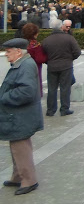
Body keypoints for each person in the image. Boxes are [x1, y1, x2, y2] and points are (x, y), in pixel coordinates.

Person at [0, 38, 43, 195]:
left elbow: (26, 92)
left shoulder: (25, 65)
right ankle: (18, 176)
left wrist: (3, 97)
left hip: (21, 115)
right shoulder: (23, 63)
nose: (6, 54)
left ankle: (29, 180)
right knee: (16, 147)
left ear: (19, 51)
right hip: (18, 115)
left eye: (8, 51)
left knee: (21, 148)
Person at [41, 19, 81, 116]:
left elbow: (43, 55)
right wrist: (70, 59)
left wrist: (49, 62)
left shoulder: (46, 40)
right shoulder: (69, 38)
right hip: (66, 66)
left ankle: (50, 110)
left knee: (52, 89)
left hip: (52, 67)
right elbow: (77, 52)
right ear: (61, 27)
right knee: (65, 88)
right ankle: (64, 109)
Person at [23, 23, 46, 97]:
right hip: (35, 67)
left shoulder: (22, 43)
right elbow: (40, 59)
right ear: (35, 33)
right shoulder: (35, 45)